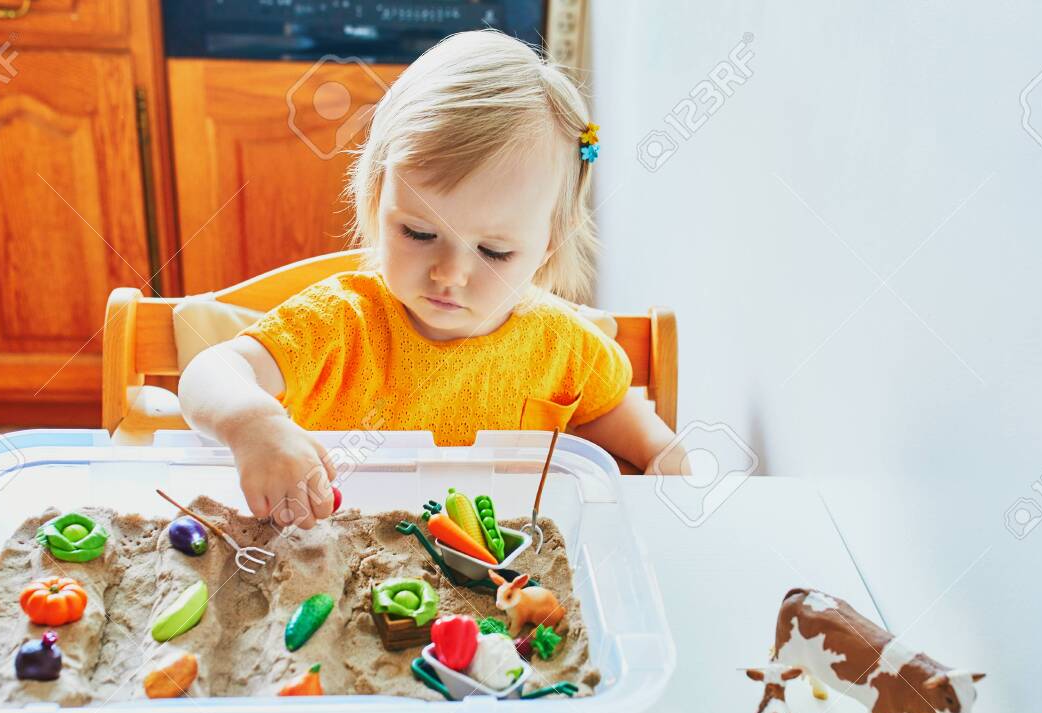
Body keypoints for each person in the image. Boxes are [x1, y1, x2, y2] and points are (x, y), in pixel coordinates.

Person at [180, 30, 684, 528]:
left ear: (549, 242)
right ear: (378, 203)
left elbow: (633, 433)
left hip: (492, 577)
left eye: (494, 251)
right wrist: (253, 424)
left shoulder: (564, 347)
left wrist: (672, 467)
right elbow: (211, 372)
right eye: (419, 233)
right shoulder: (337, 323)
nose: (450, 273)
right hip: (339, 559)